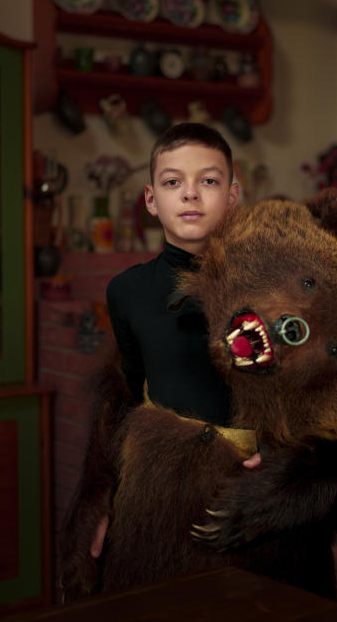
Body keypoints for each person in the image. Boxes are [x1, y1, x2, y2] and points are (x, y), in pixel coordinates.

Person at [91, 122, 255, 558]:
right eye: (172, 182)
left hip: (249, 488)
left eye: (209, 181)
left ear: (233, 196)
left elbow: (300, 386)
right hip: (161, 487)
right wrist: (103, 499)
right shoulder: (126, 291)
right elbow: (128, 395)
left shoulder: (266, 287)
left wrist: (280, 456)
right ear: (151, 199)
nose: (190, 194)